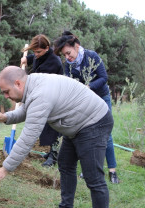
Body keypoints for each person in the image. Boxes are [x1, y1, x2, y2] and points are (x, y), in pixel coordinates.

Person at [0, 66, 113, 208]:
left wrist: (5, 169)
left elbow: (28, 136)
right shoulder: (33, 83)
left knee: (93, 177)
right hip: (76, 125)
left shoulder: (40, 93)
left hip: (93, 123)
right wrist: (7, 117)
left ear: (18, 83)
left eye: (6, 92)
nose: (5, 96)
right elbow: (29, 109)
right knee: (66, 165)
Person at [53, 31, 120, 184]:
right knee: (86, 134)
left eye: (69, 53)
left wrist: (88, 87)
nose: (68, 57)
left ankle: (112, 171)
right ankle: (89, 169)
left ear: (76, 46)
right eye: (65, 55)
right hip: (84, 103)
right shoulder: (68, 66)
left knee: (105, 135)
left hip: (101, 98)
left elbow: (104, 78)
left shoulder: (92, 56)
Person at [20, 34, 63, 167]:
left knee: (53, 127)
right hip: (45, 96)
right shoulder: (41, 56)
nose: (36, 54)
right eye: (34, 51)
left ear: (47, 48)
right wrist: (26, 58)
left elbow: (40, 79)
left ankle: (54, 155)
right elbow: (35, 59)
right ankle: (50, 152)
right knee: (46, 125)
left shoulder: (54, 62)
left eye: (38, 51)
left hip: (55, 96)